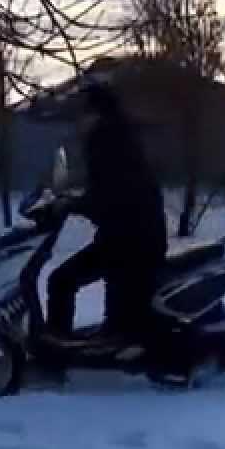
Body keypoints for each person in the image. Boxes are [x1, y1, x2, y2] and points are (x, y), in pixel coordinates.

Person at [45, 82, 167, 342]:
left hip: (131, 239)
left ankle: (56, 351)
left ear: (95, 113)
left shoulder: (107, 142)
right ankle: (101, 340)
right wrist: (76, 202)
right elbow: (109, 192)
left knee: (61, 281)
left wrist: (72, 206)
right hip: (130, 234)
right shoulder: (115, 138)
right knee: (73, 284)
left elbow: (111, 196)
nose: (78, 121)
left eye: (82, 114)